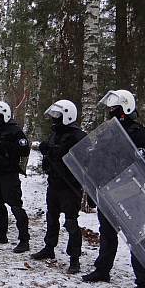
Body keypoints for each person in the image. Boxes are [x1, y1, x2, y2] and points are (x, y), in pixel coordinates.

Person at [82, 89, 145, 288]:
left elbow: (143, 169)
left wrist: (122, 185)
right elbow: (96, 161)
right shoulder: (107, 133)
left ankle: (143, 284)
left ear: (126, 107)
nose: (111, 112)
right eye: (110, 109)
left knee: (136, 238)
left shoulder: (141, 135)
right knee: (107, 233)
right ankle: (103, 269)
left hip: (129, 194)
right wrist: (91, 186)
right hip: (105, 192)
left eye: (115, 109)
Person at [31, 100, 87, 274]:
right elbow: (50, 157)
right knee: (51, 217)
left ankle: (74, 259)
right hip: (54, 184)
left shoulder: (79, 136)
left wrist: (53, 150)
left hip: (70, 186)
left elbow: (80, 160)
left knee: (71, 222)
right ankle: (49, 247)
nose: (54, 119)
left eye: (58, 116)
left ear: (67, 115)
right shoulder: (55, 133)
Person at [0, 101, 30, 253]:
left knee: (15, 205)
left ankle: (24, 239)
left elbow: (24, 149)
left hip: (10, 174)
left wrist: (6, 149)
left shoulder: (14, 130)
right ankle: (1, 233)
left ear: (5, 115)